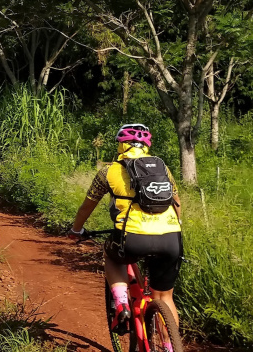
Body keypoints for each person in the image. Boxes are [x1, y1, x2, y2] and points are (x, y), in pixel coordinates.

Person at [67, 123, 183, 330]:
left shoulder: (108, 171)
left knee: (112, 256)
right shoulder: (163, 168)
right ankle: (170, 347)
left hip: (132, 239)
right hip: (171, 237)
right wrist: (178, 225)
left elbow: (87, 207)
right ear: (146, 145)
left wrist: (76, 230)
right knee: (164, 297)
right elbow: (177, 203)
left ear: (121, 145)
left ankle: (121, 304)